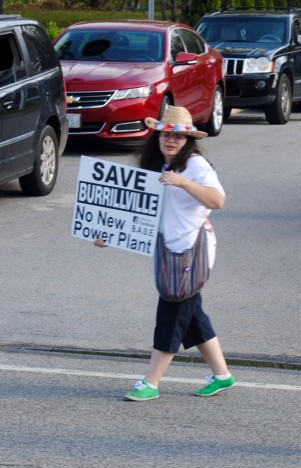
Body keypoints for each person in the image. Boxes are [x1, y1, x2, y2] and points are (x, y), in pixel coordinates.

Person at [97, 106, 235, 401]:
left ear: (187, 140)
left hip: (190, 250)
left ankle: (151, 382)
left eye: (178, 136)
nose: (171, 140)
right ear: (158, 135)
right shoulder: (155, 164)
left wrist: (183, 181)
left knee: (171, 313)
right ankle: (222, 375)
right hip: (168, 250)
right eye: (165, 134)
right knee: (191, 312)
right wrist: (109, 233)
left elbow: (218, 200)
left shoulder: (196, 165)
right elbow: (140, 211)